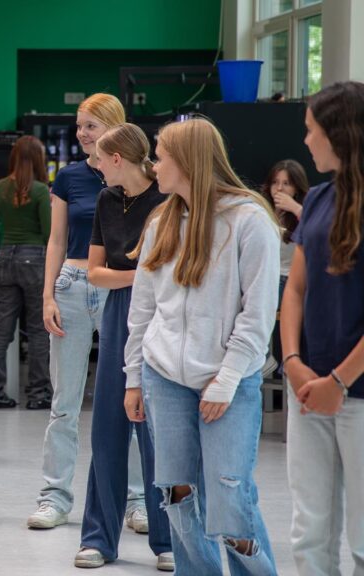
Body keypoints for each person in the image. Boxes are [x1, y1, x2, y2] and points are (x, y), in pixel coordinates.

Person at [124, 117, 280, 575]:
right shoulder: (162, 220)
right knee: (177, 491)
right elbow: (143, 308)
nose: (154, 164)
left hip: (227, 381)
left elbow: (257, 313)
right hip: (164, 378)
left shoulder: (250, 221)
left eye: (161, 154)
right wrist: (133, 378)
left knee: (230, 495)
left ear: (188, 161)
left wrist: (227, 378)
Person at [29, 93, 145, 531]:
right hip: (73, 287)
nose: (82, 133)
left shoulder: (133, 177)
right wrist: (47, 296)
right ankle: (54, 496)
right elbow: (56, 241)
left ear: (113, 129)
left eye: (91, 126)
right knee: (64, 402)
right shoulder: (69, 178)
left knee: (129, 398)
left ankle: (136, 499)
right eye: (79, 125)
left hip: (120, 291)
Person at [75, 123, 171, 570]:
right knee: (108, 428)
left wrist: (144, 282)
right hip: (119, 309)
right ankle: (98, 538)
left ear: (117, 159)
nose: (92, 163)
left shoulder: (167, 200)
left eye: (98, 156)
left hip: (164, 313)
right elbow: (95, 271)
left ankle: (167, 539)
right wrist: (138, 278)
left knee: (157, 430)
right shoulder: (106, 200)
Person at [281, 81, 364, 575]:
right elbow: (294, 289)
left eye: (311, 131)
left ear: (340, 133)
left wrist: (340, 380)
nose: (306, 141)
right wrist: (292, 362)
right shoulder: (316, 199)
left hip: (353, 389)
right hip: (308, 385)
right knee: (309, 528)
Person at [0, 135, 52, 410]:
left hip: (6, 260)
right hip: (36, 262)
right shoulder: (41, 191)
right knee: (39, 331)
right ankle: (39, 394)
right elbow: (48, 234)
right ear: (39, 159)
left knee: (1, 331)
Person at [260, 159, 309, 377]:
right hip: (265, 275)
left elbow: (319, 237)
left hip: (290, 278)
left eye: (286, 183)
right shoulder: (261, 209)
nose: (279, 189)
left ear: (297, 187)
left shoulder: (307, 210)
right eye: (275, 183)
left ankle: (276, 358)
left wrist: (296, 209)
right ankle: (263, 356)